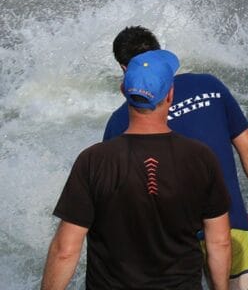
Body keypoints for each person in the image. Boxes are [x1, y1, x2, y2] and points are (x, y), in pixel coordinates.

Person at [43, 50, 232, 290]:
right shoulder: (200, 157)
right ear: (170, 94)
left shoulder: (93, 160)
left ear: (123, 90)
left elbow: (65, 251)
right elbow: (219, 242)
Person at [103, 28, 248, 290]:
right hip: (231, 227)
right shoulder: (209, 85)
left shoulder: (119, 122)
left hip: (169, 247)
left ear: (125, 70)